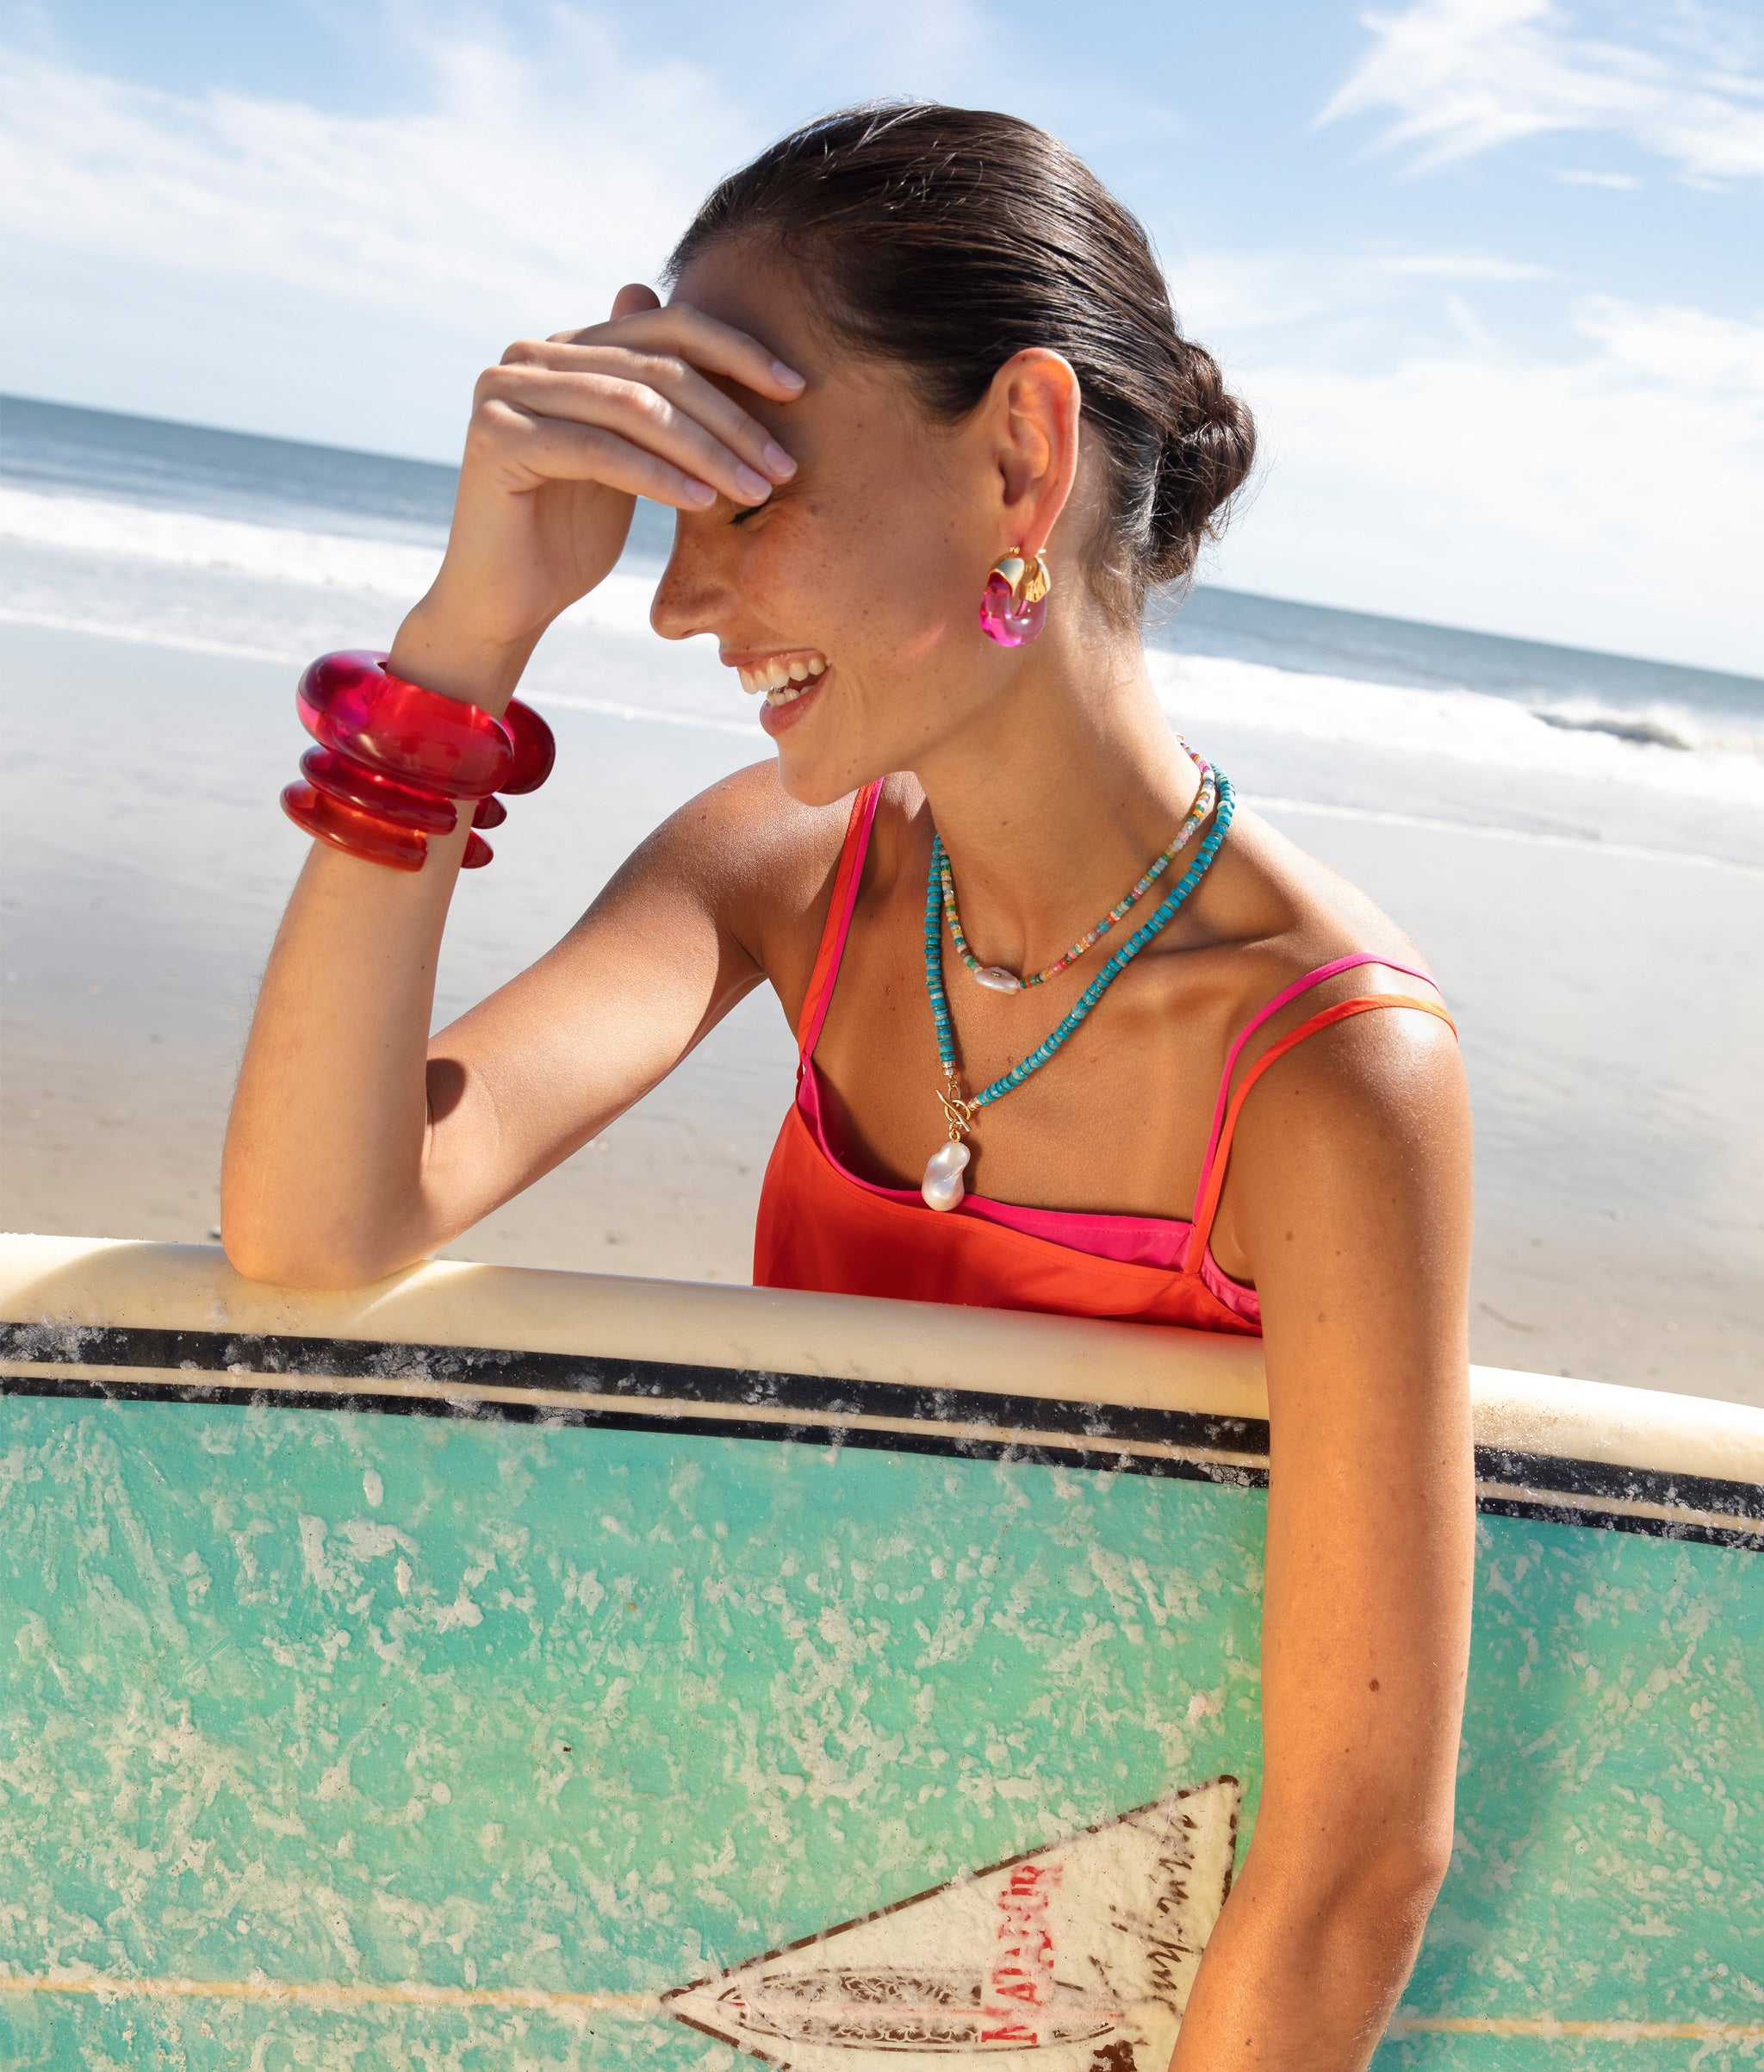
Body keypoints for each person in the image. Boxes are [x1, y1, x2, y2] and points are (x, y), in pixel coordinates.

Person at [223, 103, 1474, 2070]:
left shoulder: (1329, 1073)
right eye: (664, 504)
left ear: (1019, 456)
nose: (671, 600)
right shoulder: (783, 875)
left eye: (742, 493)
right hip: (763, 1948)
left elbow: (1352, 1869)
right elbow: (314, 1223)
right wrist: (467, 633)